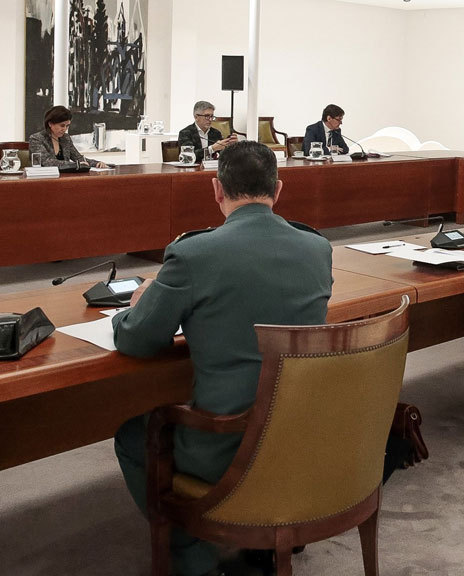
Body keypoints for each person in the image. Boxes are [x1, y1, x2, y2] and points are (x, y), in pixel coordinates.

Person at [112, 141, 333, 576]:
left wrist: (133, 308)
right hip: (299, 433)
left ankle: (191, 557)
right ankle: (266, 535)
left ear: (217, 189)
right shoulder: (317, 248)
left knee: (132, 436)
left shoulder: (193, 254)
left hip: (224, 444)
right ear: (278, 190)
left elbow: (138, 341)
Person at [27, 105, 108, 169]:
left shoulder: (65, 138)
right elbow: (47, 162)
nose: (65, 129)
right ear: (50, 124)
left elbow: (78, 158)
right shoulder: (36, 139)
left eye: (67, 126)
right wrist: (76, 165)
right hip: (44, 179)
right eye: (62, 125)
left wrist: (96, 163)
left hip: (65, 179)